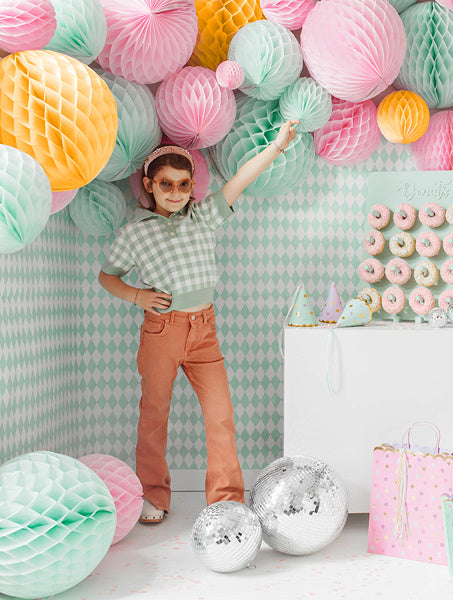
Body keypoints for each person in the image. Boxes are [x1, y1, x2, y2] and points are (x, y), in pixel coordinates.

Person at [98, 121, 299, 523]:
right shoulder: (135, 233)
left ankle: (226, 499)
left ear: (192, 186)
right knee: (154, 414)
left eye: (183, 184)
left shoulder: (203, 217)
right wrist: (138, 296)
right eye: (166, 184)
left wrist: (277, 146)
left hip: (205, 331)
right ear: (149, 185)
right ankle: (153, 495)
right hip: (162, 331)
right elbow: (108, 276)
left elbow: (241, 178)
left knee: (220, 415)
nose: (175, 193)